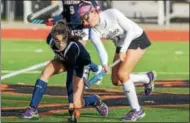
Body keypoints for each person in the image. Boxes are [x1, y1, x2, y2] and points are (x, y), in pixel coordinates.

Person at [22, 0, 102, 119]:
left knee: (76, 102)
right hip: (67, 32)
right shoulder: (52, 39)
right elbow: (65, 13)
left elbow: (96, 10)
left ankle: (94, 99)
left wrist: (71, 104)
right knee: (46, 71)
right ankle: (32, 108)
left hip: (80, 31)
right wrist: (54, 19)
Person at [78, 3, 156, 121]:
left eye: (87, 18)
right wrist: (104, 64)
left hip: (136, 37)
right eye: (83, 20)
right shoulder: (93, 31)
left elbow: (130, 30)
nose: (86, 22)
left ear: (94, 12)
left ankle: (137, 110)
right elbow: (101, 51)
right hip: (121, 44)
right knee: (116, 80)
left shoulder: (112, 14)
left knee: (123, 74)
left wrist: (124, 50)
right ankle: (146, 78)